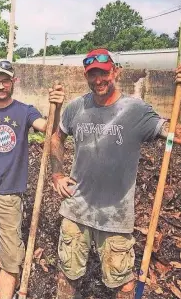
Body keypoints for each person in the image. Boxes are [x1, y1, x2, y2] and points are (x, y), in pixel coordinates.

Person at [50, 48, 181, 299]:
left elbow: (174, 133)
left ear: (116, 72)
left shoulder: (136, 111)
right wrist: (57, 174)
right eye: (93, 75)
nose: (99, 80)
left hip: (116, 215)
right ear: (86, 76)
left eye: (104, 73)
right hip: (76, 209)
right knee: (67, 275)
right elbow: (57, 137)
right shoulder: (76, 107)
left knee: (122, 283)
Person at [0, 60, 65, 299]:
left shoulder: (25, 111)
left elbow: (49, 129)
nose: (0, 85)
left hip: (9, 198)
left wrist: (57, 107)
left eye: (5, 80)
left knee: (11, 257)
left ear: (13, 82)